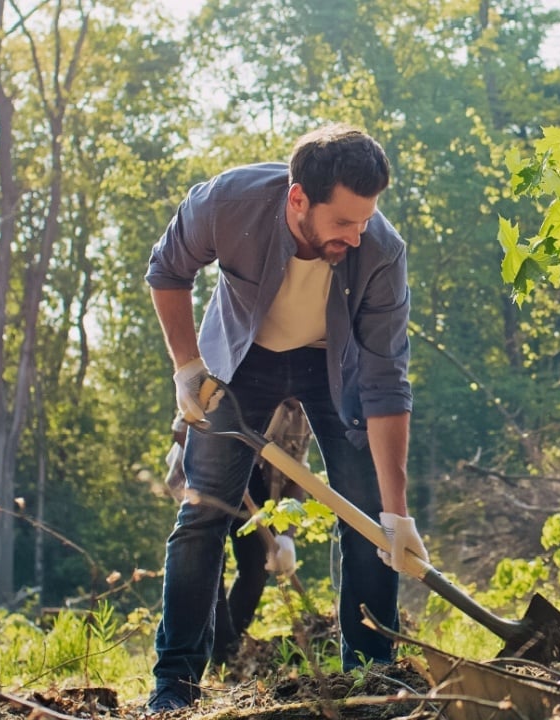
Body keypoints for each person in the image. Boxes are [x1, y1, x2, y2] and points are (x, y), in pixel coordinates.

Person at [144, 124, 428, 713]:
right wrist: (187, 368)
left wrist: (397, 514)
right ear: (298, 199)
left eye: (366, 219)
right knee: (203, 516)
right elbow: (168, 269)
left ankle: (372, 679)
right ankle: (175, 684)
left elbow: (385, 383)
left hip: (335, 365)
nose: (357, 234)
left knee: (371, 519)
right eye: (343, 222)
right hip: (242, 363)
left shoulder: (381, 250)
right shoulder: (228, 203)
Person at [162, 398, 312, 667]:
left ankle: (229, 647)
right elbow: (182, 430)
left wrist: (286, 537)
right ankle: (224, 652)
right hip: (209, 476)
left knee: (257, 566)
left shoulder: (302, 415)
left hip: (257, 483)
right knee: (208, 562)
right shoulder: (238, 375)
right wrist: (226, 463)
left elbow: (297, 477)